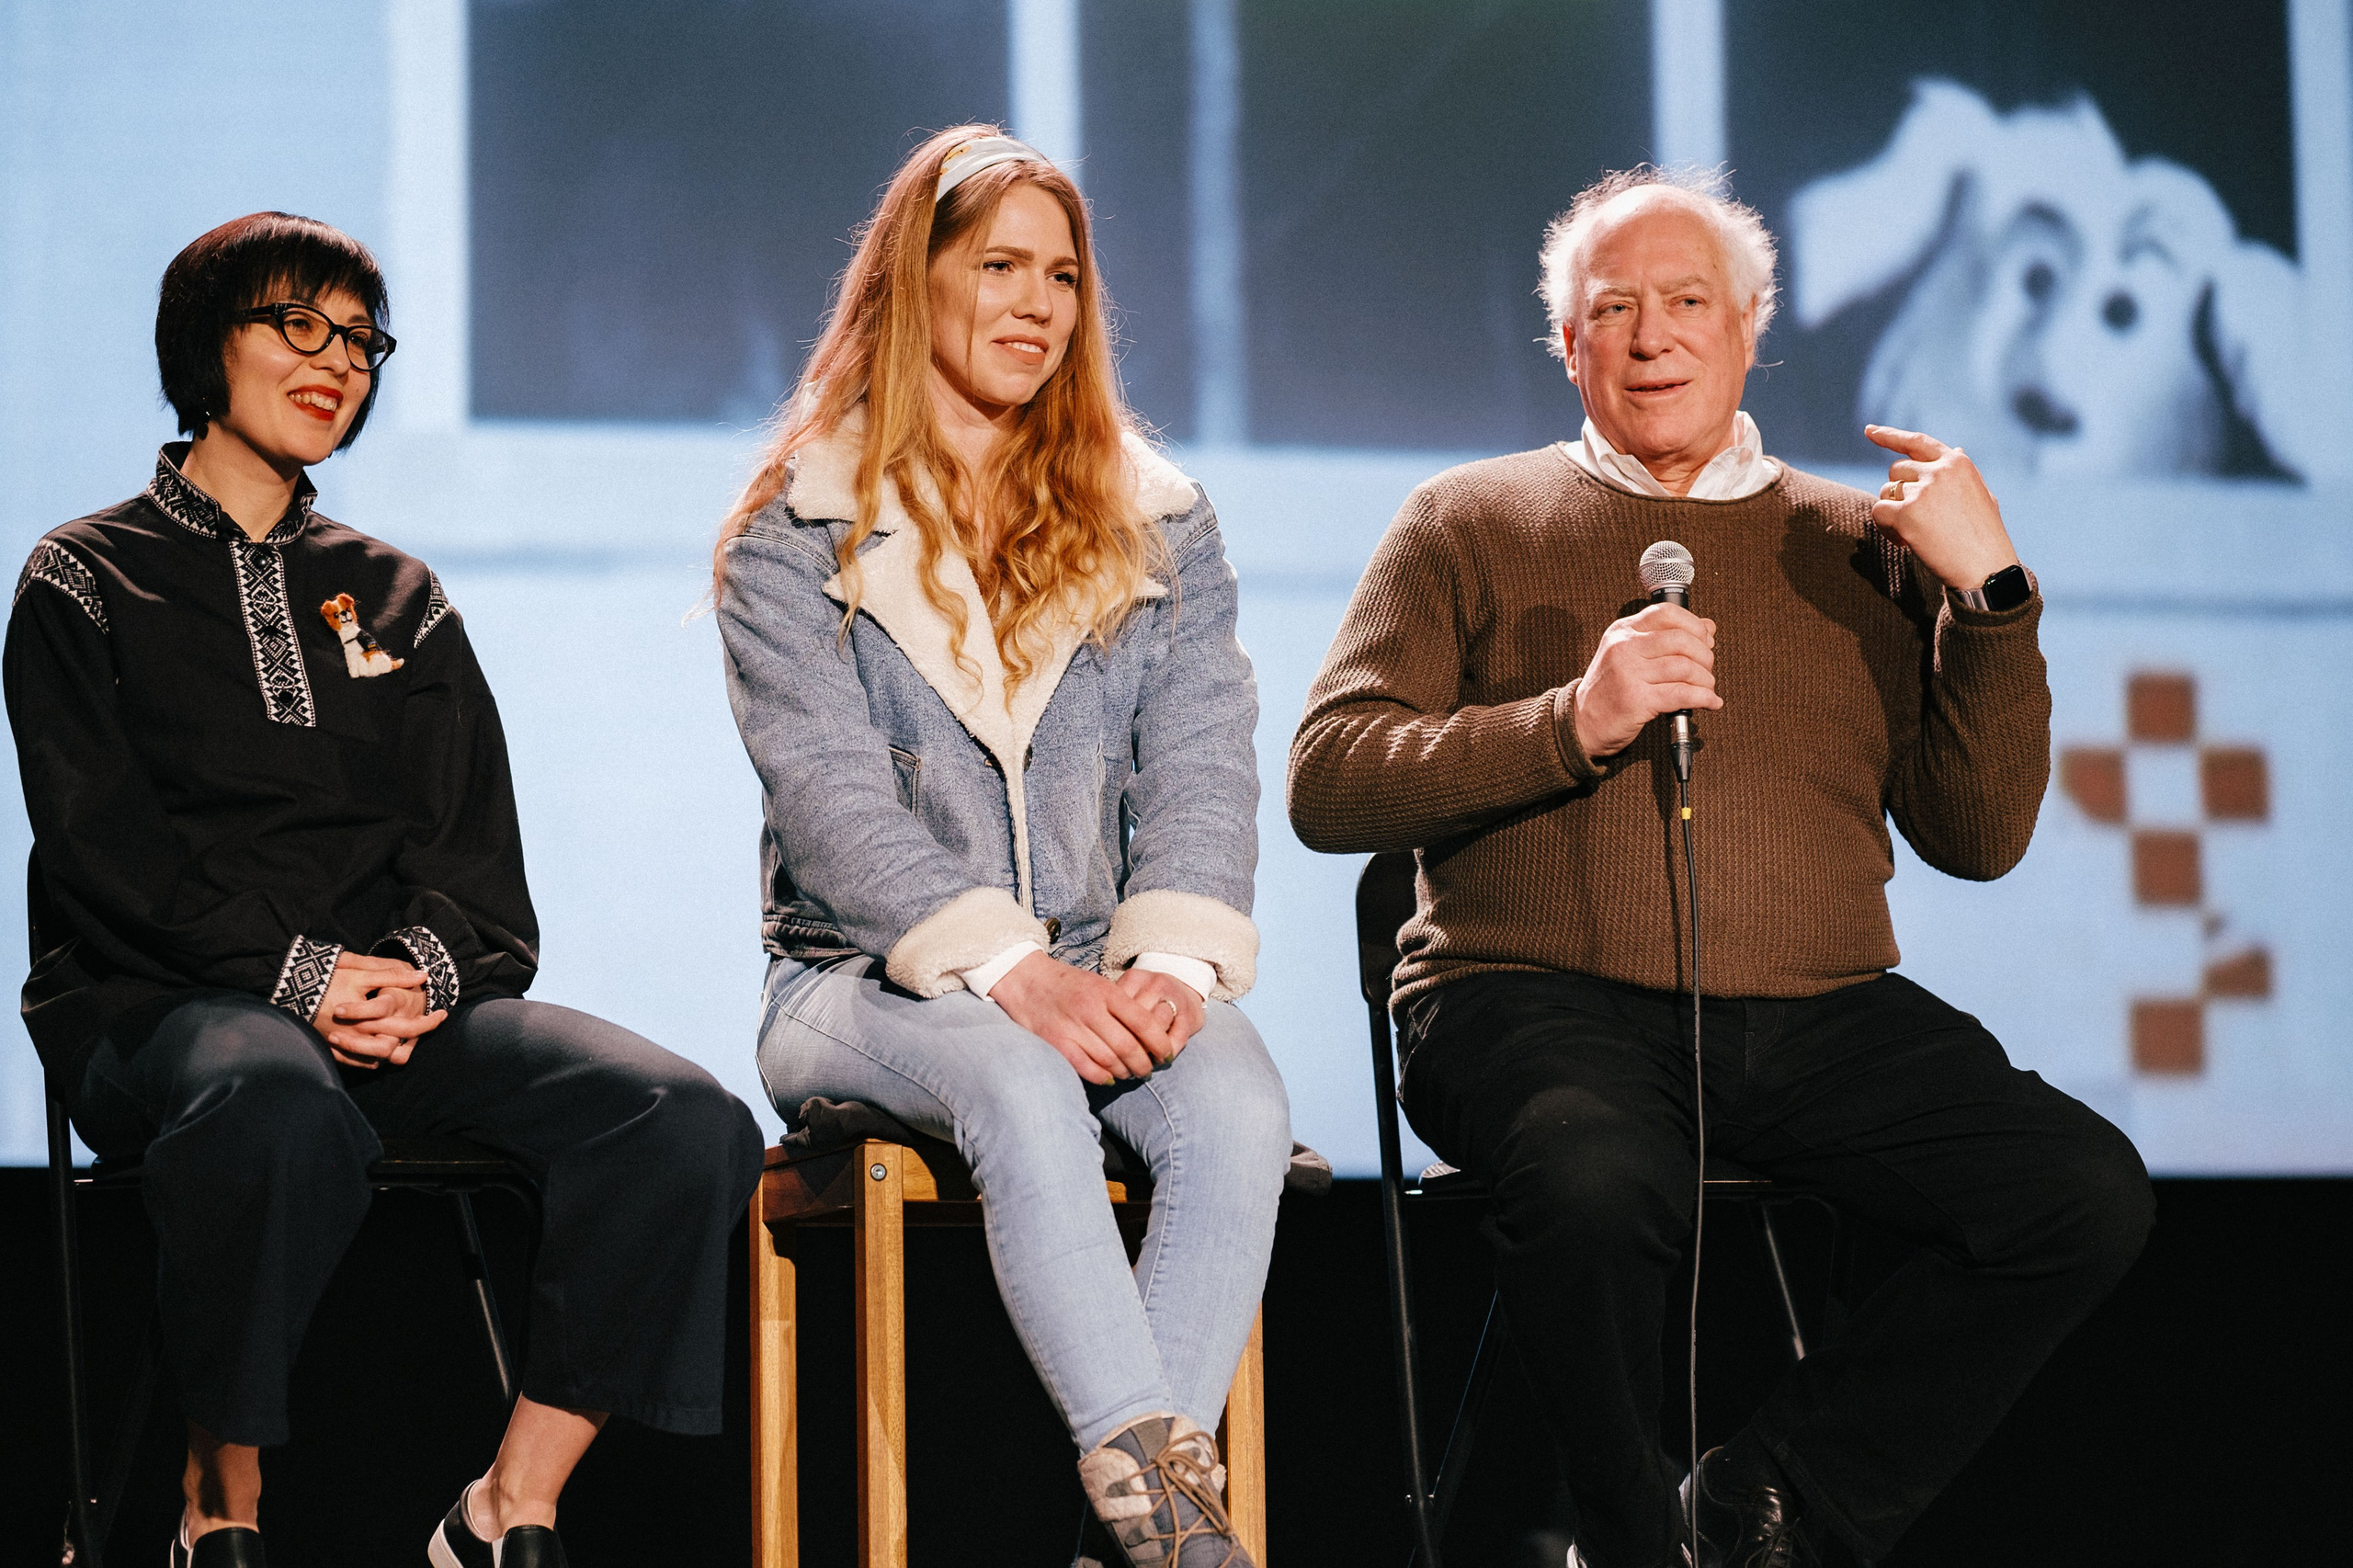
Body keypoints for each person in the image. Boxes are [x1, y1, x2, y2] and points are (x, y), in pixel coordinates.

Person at [1288, 167, 2154, 1568]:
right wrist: (1573, 720)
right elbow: (1330, 777)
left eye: (1688, 301)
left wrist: (1992, 599)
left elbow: (1979, 837)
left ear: (1752, 327)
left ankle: (1762, 1503)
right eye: (1612, 309)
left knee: (2079, 1191)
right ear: (1566, 344)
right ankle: (1632, 1542)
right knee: (1591, 1174)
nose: (1651, 337)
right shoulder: (1465, 518)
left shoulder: (1861, 546)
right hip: (1526, 999)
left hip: (1817, 1016)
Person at [6, 212, 766, 1568]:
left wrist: (411, 978)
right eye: (298, 325)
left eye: (360, 340)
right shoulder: (85, 576)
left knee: (680, 1119)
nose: (336, 362)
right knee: (270, 1095)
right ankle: (218, 1502)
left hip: (387, 1013)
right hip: (161, 1007)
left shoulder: (399, 594)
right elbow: (100, 854)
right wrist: (298, 980)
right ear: (206, 344)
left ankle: (507, 1503)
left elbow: (477, 863)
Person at [715, 128, 1290, 1568]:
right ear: (915, 283)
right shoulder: (795, 532)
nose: (1037, 304)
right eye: (998, 267)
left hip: (1101, 964)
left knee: (1236, 1104)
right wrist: (1012, 971)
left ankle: (1131, 1537)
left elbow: (1205, 757)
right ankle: (1181, 1538)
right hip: (858, 983)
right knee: (1025, 1082)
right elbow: (835, 805)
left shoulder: (1161, 521)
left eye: (1062, 276)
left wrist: (1171, 965)